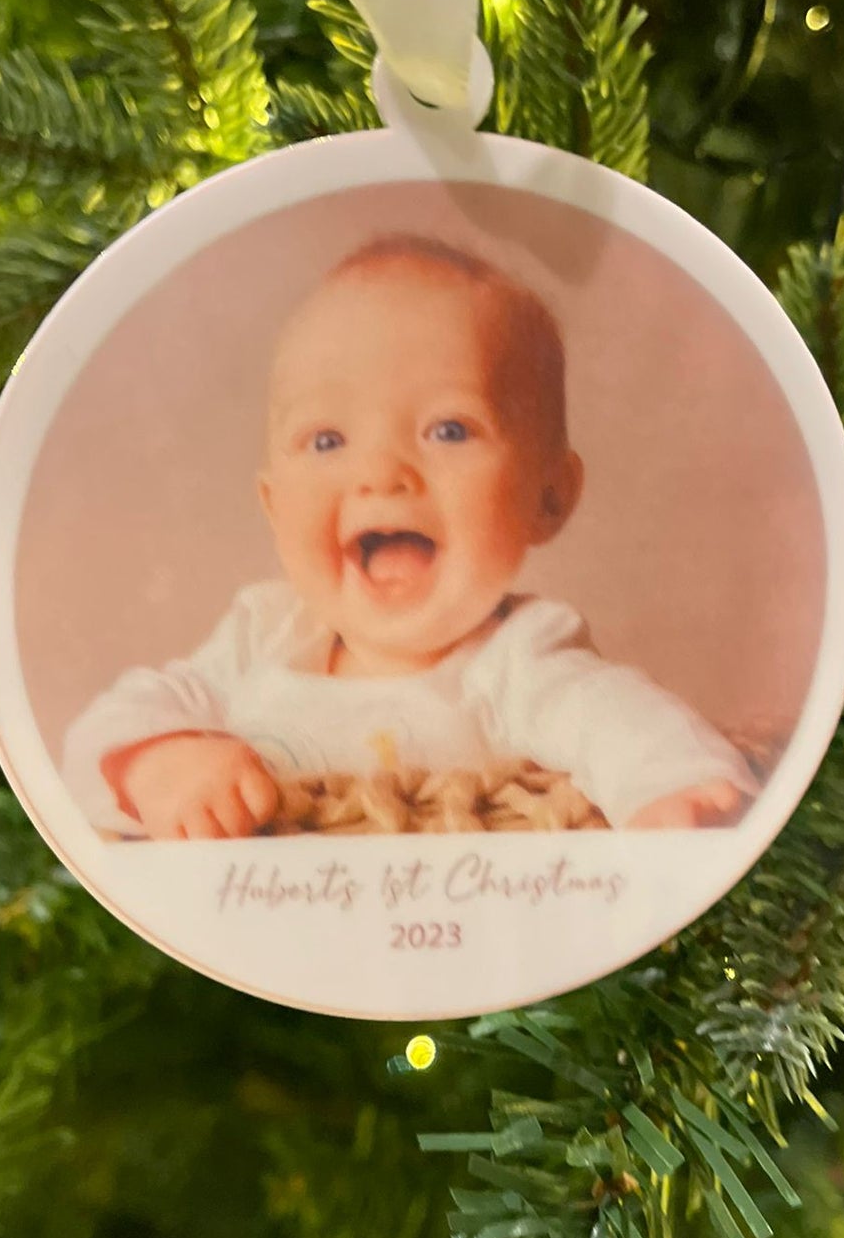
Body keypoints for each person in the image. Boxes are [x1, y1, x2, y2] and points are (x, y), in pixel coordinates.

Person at [61, 234, 755, 839]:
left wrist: (673, 786)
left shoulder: (519, 654)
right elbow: (108, 727)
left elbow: (611, 718)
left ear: (548, 495)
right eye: (327, 438)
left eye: (448, 430)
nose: (381, 474)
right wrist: (160, 760)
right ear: (273, 506)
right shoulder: (261, 636)